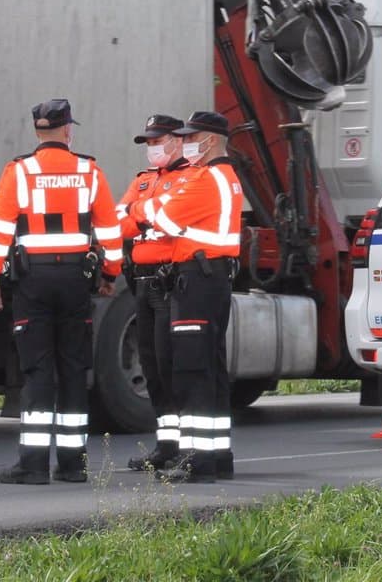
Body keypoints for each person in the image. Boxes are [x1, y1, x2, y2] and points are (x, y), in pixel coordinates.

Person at [0, 98, 122, 485]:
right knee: (74, 368)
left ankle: (33, 465)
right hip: (76, 280)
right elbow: (110, 231)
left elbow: (0, 230)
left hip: (33, 282)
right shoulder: (89, 172)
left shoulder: (19, 171)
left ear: (36, 132)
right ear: (67, 130)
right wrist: (109, 273)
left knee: (38, 370)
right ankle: (74, 465)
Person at [146, 111, 242, 483]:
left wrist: (143, 210)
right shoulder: (227, 178)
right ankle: (217, 455)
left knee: (192, 370)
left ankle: (197, 461)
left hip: (196, 281)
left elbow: (165, 221)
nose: (187, 143)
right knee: (212, 369)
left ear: (212, 140)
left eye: (193, 136)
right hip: (213, 278)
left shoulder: (206, 179)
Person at [116, 114, 191, 472]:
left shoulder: (190, 177)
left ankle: (184, 447)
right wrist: (145, 214)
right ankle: (166, 444)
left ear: (177, 140)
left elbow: (170, 219)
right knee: (151, 367)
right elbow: (121, 219)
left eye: (157, 141)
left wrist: (140, 214)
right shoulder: (144, 181)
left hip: (171, 282)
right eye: (148, 143)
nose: (152, 149)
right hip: (142, 282)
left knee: (170, 363)